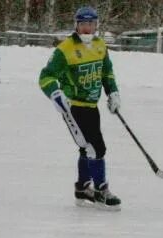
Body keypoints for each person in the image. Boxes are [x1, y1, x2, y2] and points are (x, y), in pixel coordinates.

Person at [39, 6, 121, 210]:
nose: (87, 29)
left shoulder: (100, 45)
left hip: (92, 107)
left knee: (87, 148)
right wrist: (56, 95)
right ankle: (102, 190)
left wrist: (113, 93)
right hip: (74, 107)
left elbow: (106, 73)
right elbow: (45, 77)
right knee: (96, 148)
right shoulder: (65, 49)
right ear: (76, 25)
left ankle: (83, 188)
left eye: (91, 24)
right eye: (83, 24)